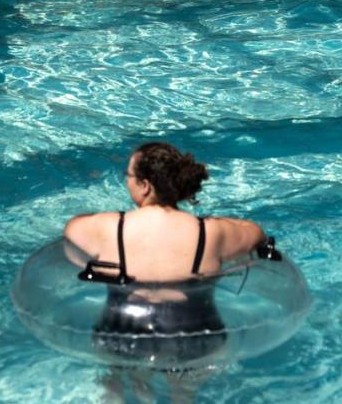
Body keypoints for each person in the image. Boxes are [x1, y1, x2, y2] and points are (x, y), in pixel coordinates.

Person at [64, 143, 266, 380]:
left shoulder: (106, 228)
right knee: (184, 392)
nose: (126, 181)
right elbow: (255, 233)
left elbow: (72, 227)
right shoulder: (213, 233)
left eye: (128, 176)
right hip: (193, 336)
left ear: (145, 186)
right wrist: (217, 222)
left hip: (123, 334)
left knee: (114, 383)